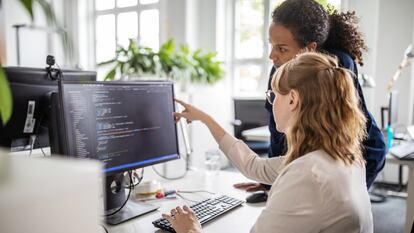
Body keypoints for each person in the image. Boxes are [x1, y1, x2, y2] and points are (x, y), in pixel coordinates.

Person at [164, 52, 373, 233]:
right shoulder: (341, 157)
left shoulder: (307, 174)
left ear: (292, 99)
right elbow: (254, 166)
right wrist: (207, 120)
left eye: (273, 95)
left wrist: (191, 229)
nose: (271, 103)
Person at [235, 0, 386, 197]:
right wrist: (270, 182)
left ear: (310, 48)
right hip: (318, 159)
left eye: (282, 48)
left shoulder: (336, 65)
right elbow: (278, 132)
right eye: (271, 46)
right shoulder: (279, 69)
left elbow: (336, 134)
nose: (272, 56)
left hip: (362, 153)